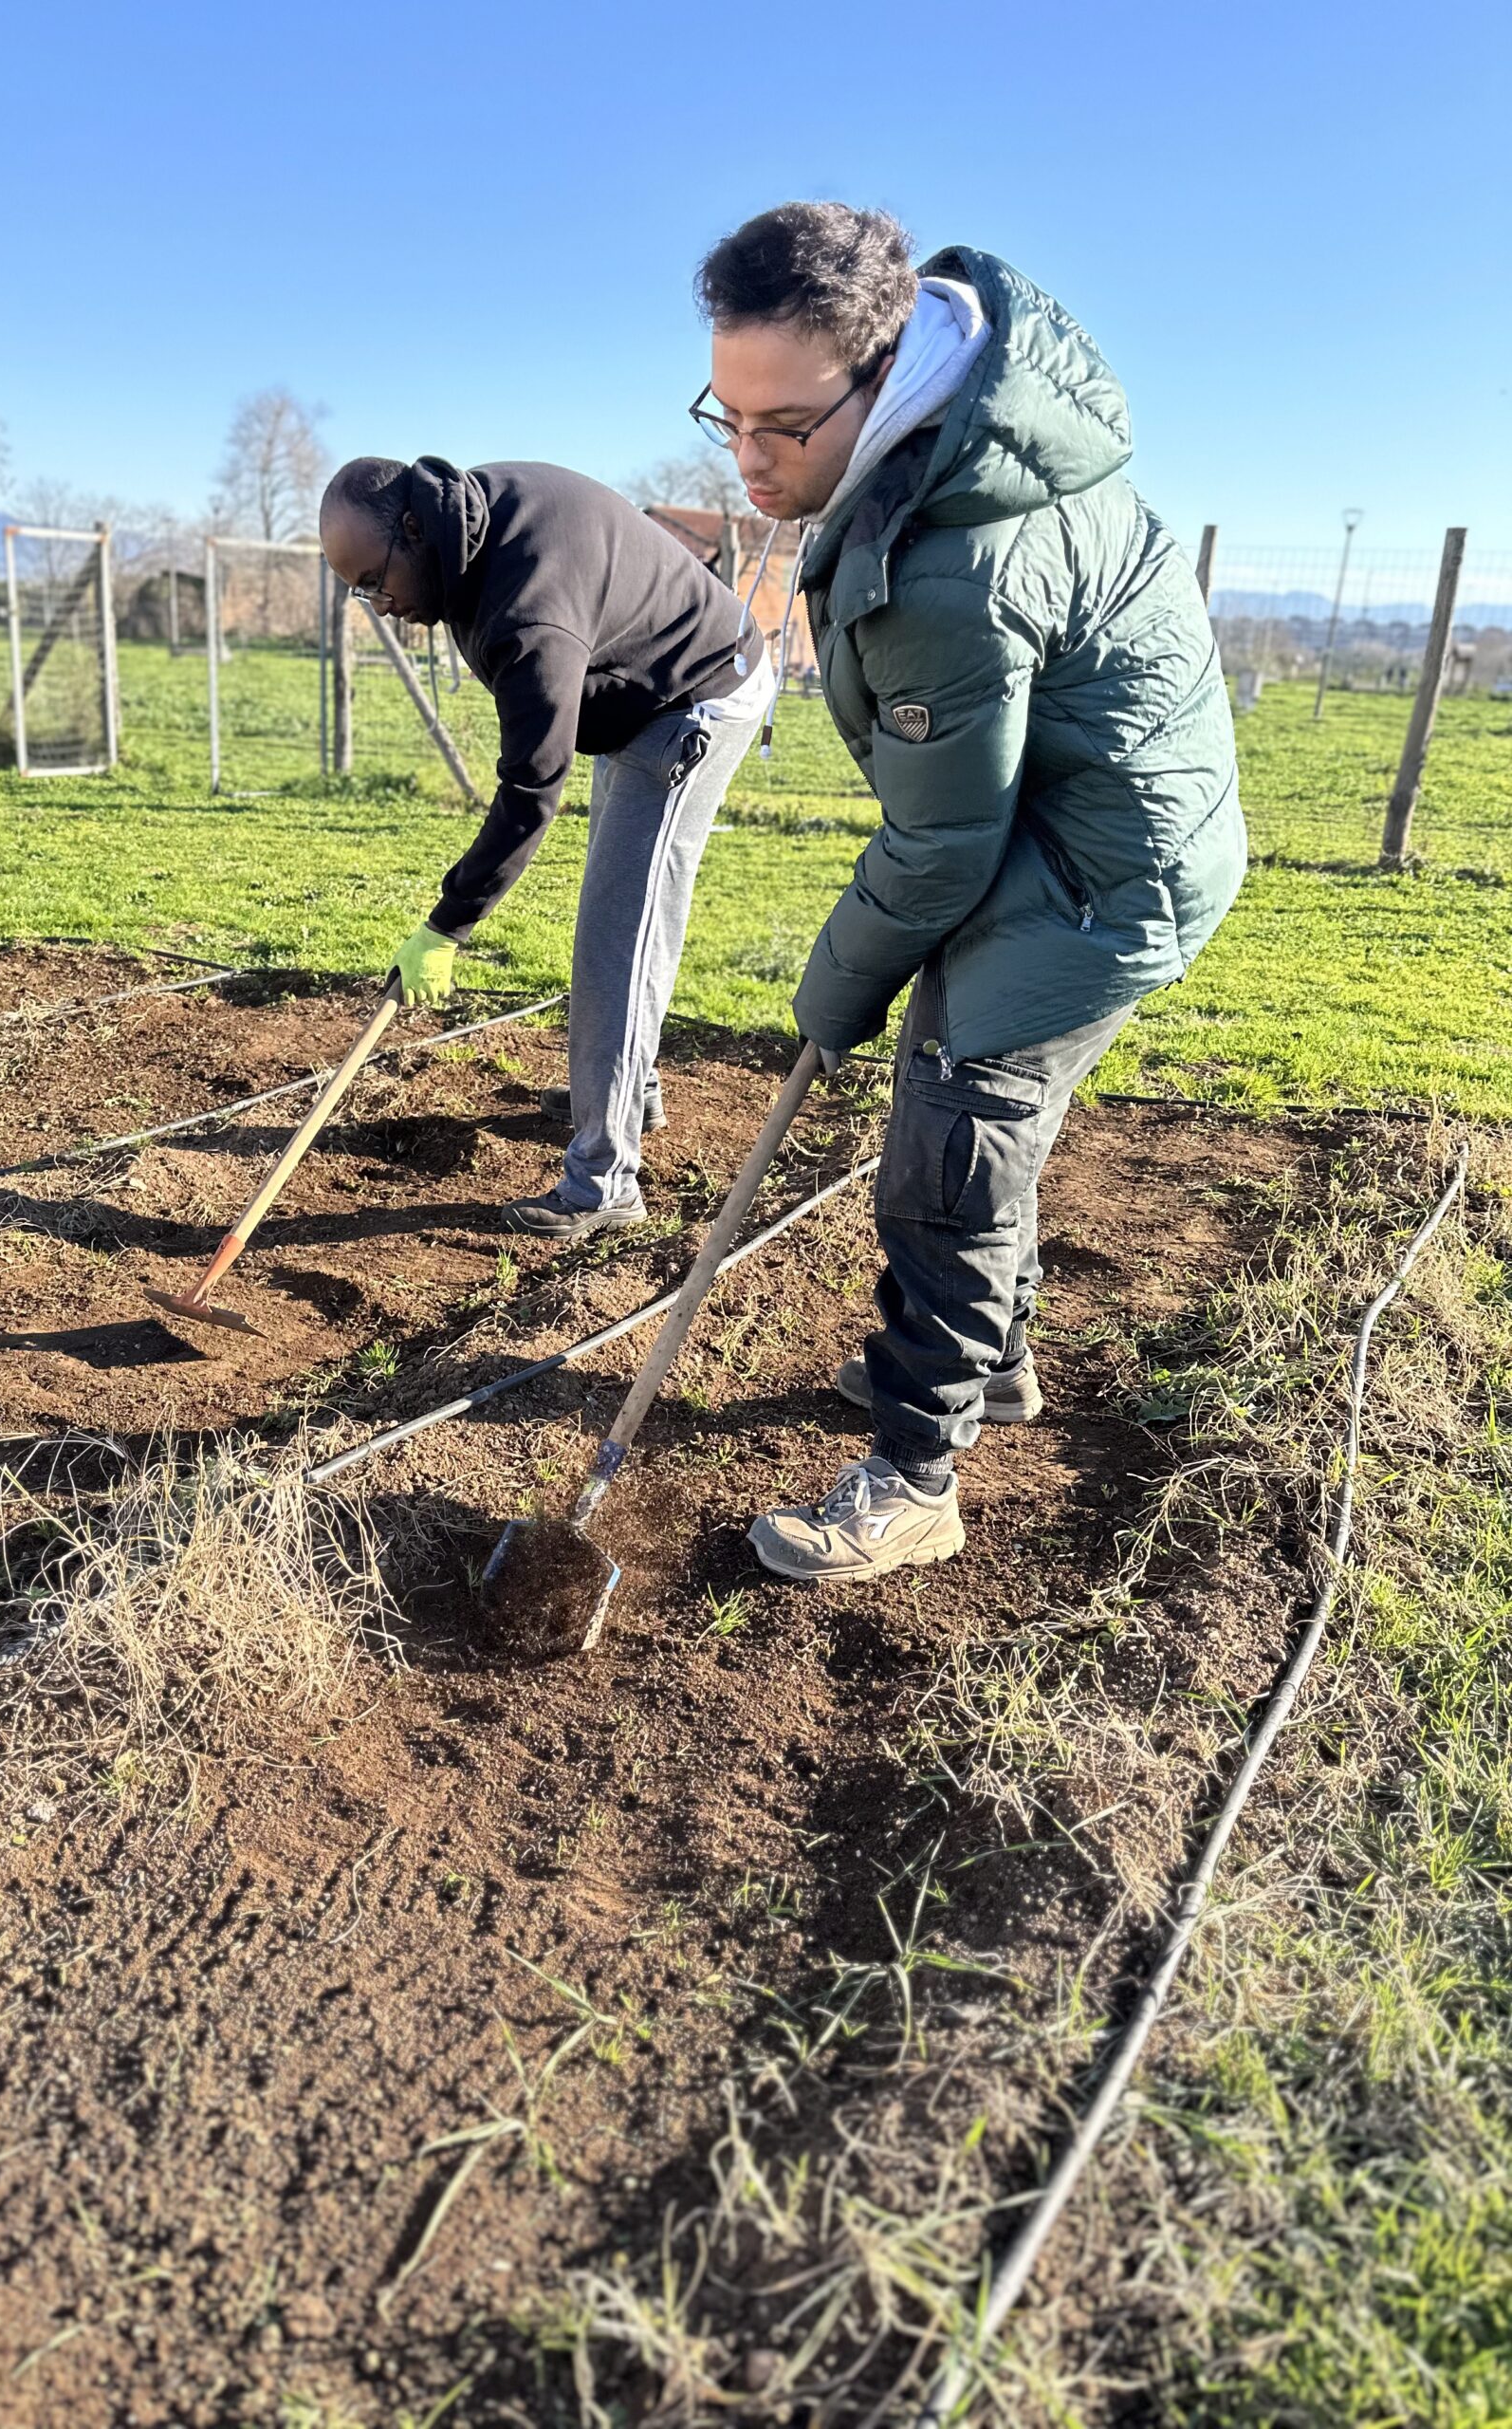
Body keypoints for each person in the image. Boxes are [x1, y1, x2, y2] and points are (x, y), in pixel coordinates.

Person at [680, 203, 1245, 1581]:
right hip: (1094, 830)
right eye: (726, 418)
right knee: (984, 1107)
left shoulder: (954, 552)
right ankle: (990, 1369)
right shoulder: (968, 434)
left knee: (951, 1143)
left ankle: (915, 1479)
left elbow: (941, 850)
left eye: (783, 428)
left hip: (1100, 873)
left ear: (881, 373)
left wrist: (834, 993)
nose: (750, 461)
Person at [319, 456, 775, 1239]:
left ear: (413, 529)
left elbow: (532, 789)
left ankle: (604, 1184)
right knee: (619, 914)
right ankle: (630, 1092)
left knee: (619, 934)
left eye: (373, 578)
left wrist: (448, 924)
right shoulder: (469, 527)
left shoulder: (526, 608)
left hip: (697, 694)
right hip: (644, 687)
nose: (379, 603)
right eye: (360, 593)